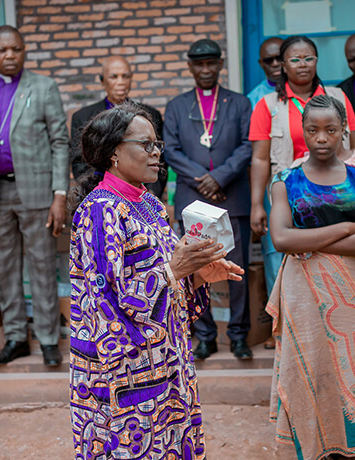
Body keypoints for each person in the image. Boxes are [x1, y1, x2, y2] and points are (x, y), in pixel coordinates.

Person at [68, 104, 244, 459]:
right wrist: (173, 272)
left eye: (157, 144)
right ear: (114, 152)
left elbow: (166, 281)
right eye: (145, 145)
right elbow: (108, 301)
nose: (156, 153)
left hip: (166, 362)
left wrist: (195, 276)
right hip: (124, 377)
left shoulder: (147, 203)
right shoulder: (100, 210)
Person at [266, 95, 355, 458]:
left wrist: (312, 242)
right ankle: (310, 446)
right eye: (313, 129)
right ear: (302, 131)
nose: (321, 137)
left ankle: (352, 446)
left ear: (344, 131)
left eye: (331, 129)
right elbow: (282, 238)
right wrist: (346, 227)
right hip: (303, 289)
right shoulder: (285, 180)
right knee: (308, 364)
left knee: (354, 368)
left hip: (354, 290)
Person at [0, 25, 69, 367]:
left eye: (16, 49)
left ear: (24, 51)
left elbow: (59, 142)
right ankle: (15, 338)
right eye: (3, 50)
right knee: (6, 269)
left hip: (37, 194)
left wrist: (59, 195)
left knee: (41, 266)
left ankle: (49, 339)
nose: (10, 56)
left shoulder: (43, 87)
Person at [249, 35, 355, 311]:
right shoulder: (268, 105)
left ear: (317, 61)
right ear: (283, 65)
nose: (303, 65)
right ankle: (289, 323)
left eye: (308, 58)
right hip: (289, 195)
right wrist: (255, 205)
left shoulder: (336, 97)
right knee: (285, 257)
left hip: (336, 191)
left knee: (337, 252)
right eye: (295, 59)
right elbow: (260, 159)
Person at [163, 38, 253, 360]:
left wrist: (221, 177)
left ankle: (239, 335)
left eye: (210, 63)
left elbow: (247, 145)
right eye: (198, 64)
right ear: (190, 67)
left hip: (232, 195)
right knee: (196, 267)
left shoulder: (240, 103)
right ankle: (205, 336)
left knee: (237, 268)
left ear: (219, 65)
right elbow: (170, 150)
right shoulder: (176, 107)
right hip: (193, 198)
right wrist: (203, 179)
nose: (205, 69)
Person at [70, 55, 166, 197]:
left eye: (125, 76)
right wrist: (107, 193)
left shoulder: (150, 115)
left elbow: (159, 159)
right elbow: (80, 164)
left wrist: (151, 193)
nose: (120, 82)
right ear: (102, 80)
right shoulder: (84, 117)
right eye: (114, 77)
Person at [247, 37, 283, 109]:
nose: (275, 64)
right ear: (261, 64)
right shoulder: (253, 99)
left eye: (280, 58)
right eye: (268, 60)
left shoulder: (305, 89)